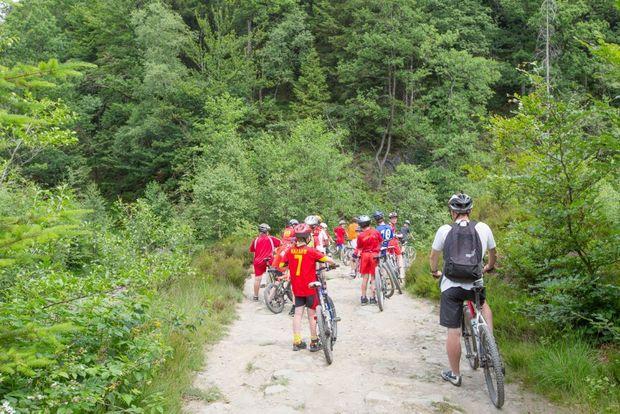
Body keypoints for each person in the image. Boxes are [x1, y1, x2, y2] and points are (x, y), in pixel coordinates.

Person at [429, 193, 497, 387]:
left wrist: (434, 271)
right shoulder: (483, 228)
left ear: (452, 212)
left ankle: (456, 375)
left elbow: (433, 256)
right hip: (475, 282)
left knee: (454, 331)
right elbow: (493, 254)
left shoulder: (444, 230)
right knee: (483, 306)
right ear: (470, 210)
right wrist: (489, 267)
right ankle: (490, 349)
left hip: (451, 286)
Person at [281, 223, 336, 351]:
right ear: (307, 238)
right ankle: (314, 341)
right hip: (310, 288)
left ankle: (297, 341)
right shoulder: (310, 251)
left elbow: (283, 264)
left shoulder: (290, 251)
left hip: (297, 288)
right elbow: (327, 259)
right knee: (312, 315)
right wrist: (333, 263)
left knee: (298, 314)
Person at [249, 223, 281, 301]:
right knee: (276, 276)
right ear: (267, 232)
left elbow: (251, 250)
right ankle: (272, 294)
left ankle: (255, 296)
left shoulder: (255, 240)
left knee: (257, 279)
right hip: (269, 260)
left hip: (258, 261)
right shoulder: (271, 238)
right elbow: (281, 244)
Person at [354, 215, 382, 305]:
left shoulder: (360, 235)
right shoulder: (376, 232)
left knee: (365, 278)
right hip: (374, 255)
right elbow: (380, 241)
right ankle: (373, 298)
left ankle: (363, 298)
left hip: (365, 256)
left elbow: (359, 247)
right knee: (373, 277)